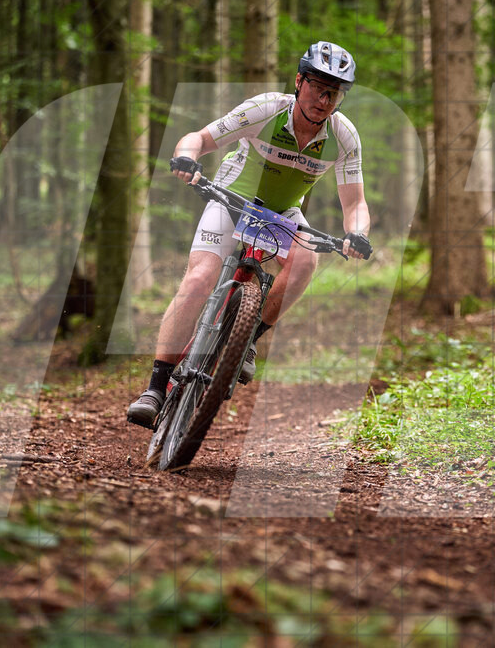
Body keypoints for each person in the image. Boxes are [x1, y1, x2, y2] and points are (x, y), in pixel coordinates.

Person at [127, 41, 373, 428]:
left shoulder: (344, 137)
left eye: (334, 92)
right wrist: (188, 158)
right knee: (198, 280)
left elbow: (355, 204)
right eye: (316, 87)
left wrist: (356, 234)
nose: (324, 99)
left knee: (307, 258)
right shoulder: (266, 109)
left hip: (280, 214)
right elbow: (200, 138)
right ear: (298, 81)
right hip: (231, 198)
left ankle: (246, 341)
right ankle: (155, 388)